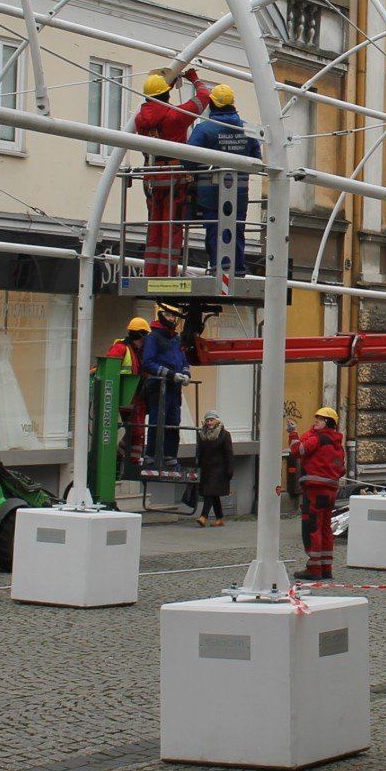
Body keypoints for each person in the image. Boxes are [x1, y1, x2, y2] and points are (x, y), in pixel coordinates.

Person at [135, 69, 211, 273]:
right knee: (172, 229)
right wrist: (194, 79)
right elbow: (203, 97)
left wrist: (167, 82)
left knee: (155, 228)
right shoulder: (175, 116)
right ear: (167, 95)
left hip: (152, 179)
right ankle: (165, 275)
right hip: (173, 178)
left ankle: (150, 273)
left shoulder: (140, 120)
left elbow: (156, 105)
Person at [186, 84, 261, 271]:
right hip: (239, 192)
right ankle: (237, 269)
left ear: (212, 104)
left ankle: (218, 268)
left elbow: (188, 160)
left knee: (215, 231)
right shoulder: (248, 130)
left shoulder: (204, 129)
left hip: (211, 194)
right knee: (237, 230)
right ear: (232, 103)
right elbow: (257, 161)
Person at [288, 407, 345, 580]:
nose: (315, 422)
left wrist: (293, 433)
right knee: (325, 528)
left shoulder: (317, 439)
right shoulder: (337, 444)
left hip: (314, 490)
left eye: (319, 419)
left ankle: (314, 569)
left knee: (312, 527)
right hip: (330, 491)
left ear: (328, 422)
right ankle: (326, 567)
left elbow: (298, 450)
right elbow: (341, 469)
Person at [141, 308, 192, 480]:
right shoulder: (153, 338)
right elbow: (148, 362)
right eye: (168, 315)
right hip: (158, 386)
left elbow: (184, 360)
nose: (171, 318)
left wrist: (186, 374)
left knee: (174, 421)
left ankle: (170, 457)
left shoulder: (176, 339)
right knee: (157, 420)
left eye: (173, 315)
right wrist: (170, 374)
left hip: (174, 388)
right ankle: (151, 455)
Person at [105, 316, 152, 473]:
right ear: (141, 335)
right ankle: (129, 461)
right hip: (127, 397)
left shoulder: (139, 352)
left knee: (137, 433)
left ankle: (123, 458)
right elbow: (109, 369)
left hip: (137, 397)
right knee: (136, 431)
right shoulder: (120, 349)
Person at [194, 411, 234, 527]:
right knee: (213, 494)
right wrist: (197, 467)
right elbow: (199, 452)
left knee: (209, 492)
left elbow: (229, 453)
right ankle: (219, 518)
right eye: (207, 420)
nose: (209, 422)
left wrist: (230, 470)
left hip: (219, 470)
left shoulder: (224, 435)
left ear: (217, 421)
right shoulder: (202, 435)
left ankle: (203, 516)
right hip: (206, 469)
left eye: (211, 420)